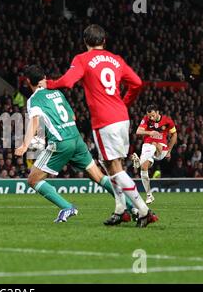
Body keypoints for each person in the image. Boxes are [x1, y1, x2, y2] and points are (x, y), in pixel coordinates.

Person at [38, 24, 157, 227]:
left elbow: (67, 82)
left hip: (104, 120)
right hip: (122, 117)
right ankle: (121, 210)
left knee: (115, 168)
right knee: (111, 165)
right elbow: (137, 83)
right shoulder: (116, 60)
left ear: (85, 41)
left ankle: (144, 211)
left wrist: (48, 83)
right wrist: (124, 102)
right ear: (104, 41)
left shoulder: (83, 59)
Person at [15, 65, 135, 223]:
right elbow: (72, 117)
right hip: (76, 139)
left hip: (61, 142)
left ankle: (66, 207)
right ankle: (132, 207)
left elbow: (35, 121)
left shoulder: (33, 100)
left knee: (33, 180)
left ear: (28, 81)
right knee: (99, 176)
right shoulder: (57, 92)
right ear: (44, 77)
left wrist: (25, 145)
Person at [131, 105, 177, 204]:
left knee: (154, 144)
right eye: (149, 116)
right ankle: (149, 195)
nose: (151, 118)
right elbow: (138, 131)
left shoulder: (167, 121)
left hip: (161, 148)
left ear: (157, 112)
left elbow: (174, 134)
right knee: (144, 168)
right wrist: (150, 132)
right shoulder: (146, 119)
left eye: (152, 115)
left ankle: (138, 162)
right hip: (148, 147)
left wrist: (169, 150)